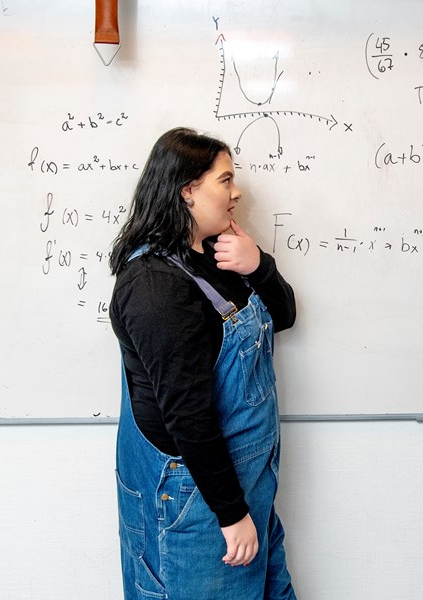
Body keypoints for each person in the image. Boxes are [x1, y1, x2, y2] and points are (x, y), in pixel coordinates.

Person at [108, 127, 297, 600]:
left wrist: (259, 266)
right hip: (200, 502)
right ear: (188, 190)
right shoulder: (156, 287)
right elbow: (188, 416)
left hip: (244, 486)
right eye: (226, 180)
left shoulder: (215, 254)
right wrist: (231, 515)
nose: (238, 193)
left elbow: (286, 316)